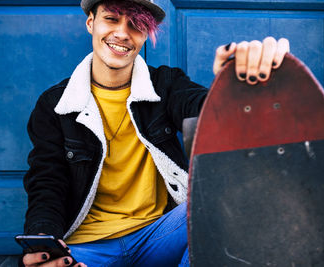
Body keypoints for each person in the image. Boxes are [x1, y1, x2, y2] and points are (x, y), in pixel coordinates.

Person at [21, 0, 290, 266]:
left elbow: (205, 113)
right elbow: (47, 181)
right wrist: (44, 239)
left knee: (217, 202)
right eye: (112, 19)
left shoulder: (166, 84)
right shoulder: (56, 105)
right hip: (88, 248)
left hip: (159, 236)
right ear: (91, 22)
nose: (123, 33)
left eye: (136, 24)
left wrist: (233, 91)